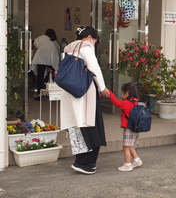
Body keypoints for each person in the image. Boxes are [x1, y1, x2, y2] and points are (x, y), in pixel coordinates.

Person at [60, 26, 109, 175]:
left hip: (71, 92)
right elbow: (94, 67)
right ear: (89, 38)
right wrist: (103, 88)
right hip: (84, 92)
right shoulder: (86, 47)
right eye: (94, 40)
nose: (94, 43)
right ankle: (86, 162)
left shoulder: (69, 49)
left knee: (78, 126)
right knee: (91, 124)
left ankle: (80, 161)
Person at [108, 83, 143, 172]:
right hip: (134, 128)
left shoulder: (127, 103)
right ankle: (136, 160)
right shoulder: (135, 102)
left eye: (122, 93)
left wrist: (109, 93)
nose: (121, 94)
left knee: (126, 147)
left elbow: (116, 102)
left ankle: (127, 164)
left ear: (127, 94)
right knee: (130, 146)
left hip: (129, 128)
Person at [31, 28, 60, 100]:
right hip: (51, 61)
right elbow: (58, 50)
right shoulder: (54, 41)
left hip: (41, 59)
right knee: (51, 76)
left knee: (40, 76)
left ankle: (39, 94)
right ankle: (52, 93)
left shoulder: (43, 37)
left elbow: (35, 43)